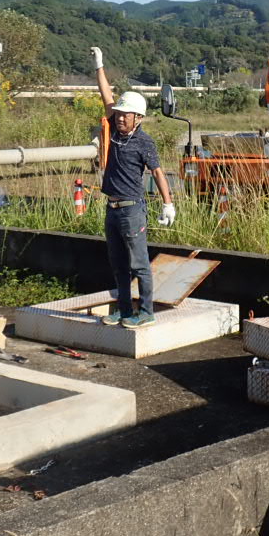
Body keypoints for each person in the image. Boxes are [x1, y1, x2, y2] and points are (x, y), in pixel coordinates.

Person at [91, 46, 176, 329]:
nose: (120, 117)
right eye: (119, 114)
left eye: (126, 115)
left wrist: (168, 203)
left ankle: (146, 311)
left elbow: (158, 173)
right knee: (118, 264)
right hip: (112, 208)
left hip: (132, 209)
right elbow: (107, 98)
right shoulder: (114, 131)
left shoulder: (144, 142)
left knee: (139, 264)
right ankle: (124, 310)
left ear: (138, 117)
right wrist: (99, 67)